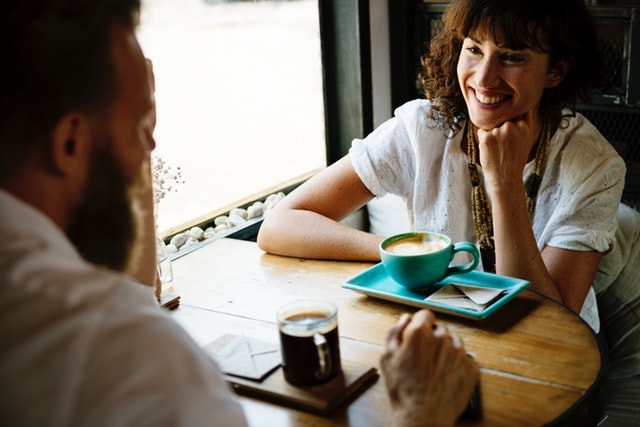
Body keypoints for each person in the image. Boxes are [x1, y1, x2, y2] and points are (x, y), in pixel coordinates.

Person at [0, 1, 478, 426]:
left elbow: (131, 295)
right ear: (69, 143)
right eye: (140, 129)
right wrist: (421, 414)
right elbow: (126, 310)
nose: (151, 151)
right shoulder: (132, 356)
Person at [257, 0, 625, 334]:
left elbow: (550, 323)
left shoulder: (596, 166)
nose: (483, 78)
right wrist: (410, 255)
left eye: (511, 57)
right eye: (474, 49)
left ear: (555, 72)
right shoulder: (424, 128)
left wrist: (505, 182)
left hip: (558, 354)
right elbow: (279, 225)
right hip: (443, 329)